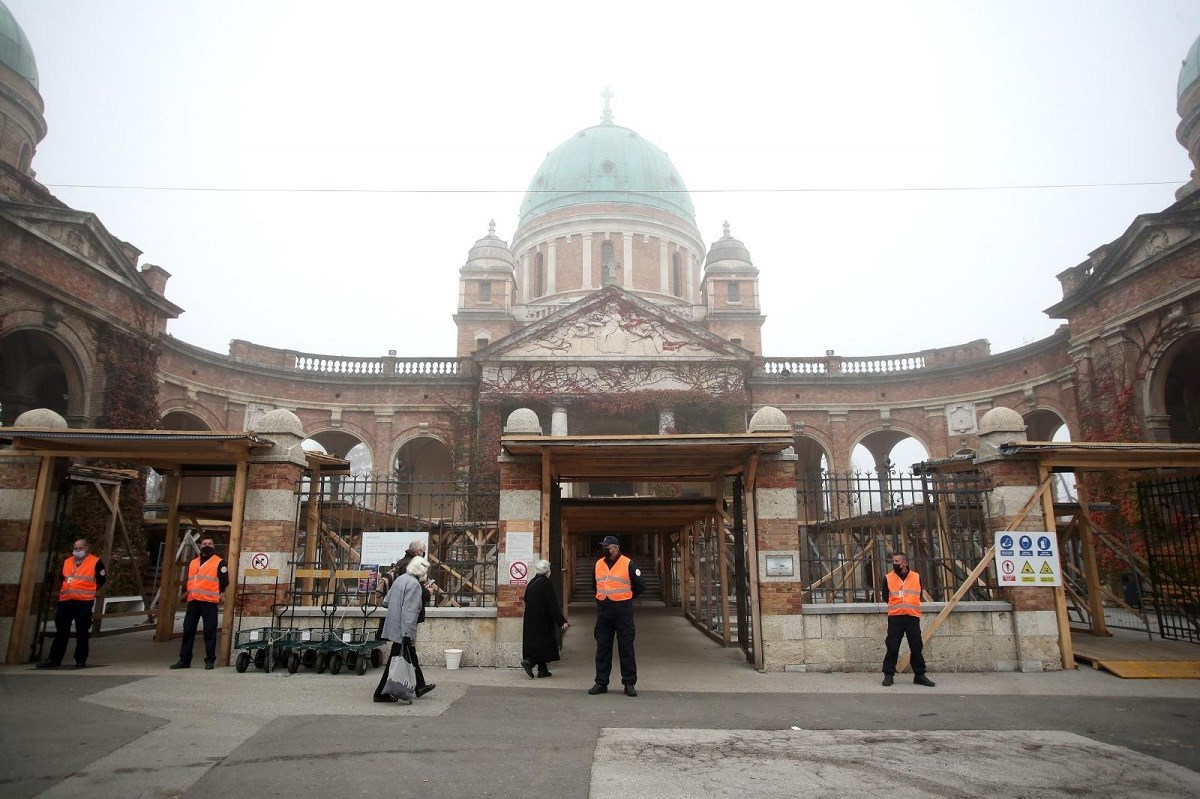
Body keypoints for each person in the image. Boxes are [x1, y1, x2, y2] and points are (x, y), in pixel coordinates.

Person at [588, 535, 645, 697]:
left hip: (622, 610)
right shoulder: (598, 563)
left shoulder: (628, 563)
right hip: (604, 610)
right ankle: (601, 682)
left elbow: (641, 585)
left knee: (626, 646)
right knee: (602, 647)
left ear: (615, 548)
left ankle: (629, 683)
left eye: (607, 547)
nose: (604, 549)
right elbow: (595, 585)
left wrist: (627, 597)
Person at [374, 555, 436, 702]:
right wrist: (407, 634)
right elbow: (409, 611)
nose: (425, 575)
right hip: (403, 630)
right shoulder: (414, 585)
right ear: (420, 571)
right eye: (425, 571)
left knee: (401, 658)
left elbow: (386, 601)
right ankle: (380, 693)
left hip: (393, 625)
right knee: (395, 661)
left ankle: (419, 686)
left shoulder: (400, 579)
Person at [38, 538, 107, 669]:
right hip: (66, 601)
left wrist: (89, 590)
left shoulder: (96, 562)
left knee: (82, 632)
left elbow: (101, 580)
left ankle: (80, 659)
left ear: (87, 548)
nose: (77, 550)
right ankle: (54, 659)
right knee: (61, 631)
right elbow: (62, 578)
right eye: (75, 548)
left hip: (84, 602)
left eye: (80, 548)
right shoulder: (67, 562)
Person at [170, 536, 228, 670]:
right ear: (200, 546)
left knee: (209, 632)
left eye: (209, 543)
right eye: (204, 544)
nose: (207, 545)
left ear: (213, 546)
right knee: (188, 630)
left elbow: (225, 581)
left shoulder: (219, 562)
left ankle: (209, 660)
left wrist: (215, 591)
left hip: (209, 602)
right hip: (194, 601)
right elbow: (190, 580)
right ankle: (184, 660)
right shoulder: (193, 562)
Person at [881, 552, 935, 687]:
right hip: (895, 616)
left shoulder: (916, 577)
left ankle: (919, 675)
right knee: (892, 646)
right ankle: (888, 674)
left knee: (916, 646)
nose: (894, 564)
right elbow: (885, 596)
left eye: (897, 561)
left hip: (912, 616)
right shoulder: (888, 578)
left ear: (904, 563)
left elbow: (919, 593)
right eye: (893, 561)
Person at [521, 560, 569, 678]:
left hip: (530, 619)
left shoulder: (532, 582)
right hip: (542, 620)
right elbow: (552, 604)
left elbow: (525, 598)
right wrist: (561, 621)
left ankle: (543, 670)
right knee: (543, 643)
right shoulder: (546, 583)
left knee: (537, 642)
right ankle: (530, 662)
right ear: (547, 571)